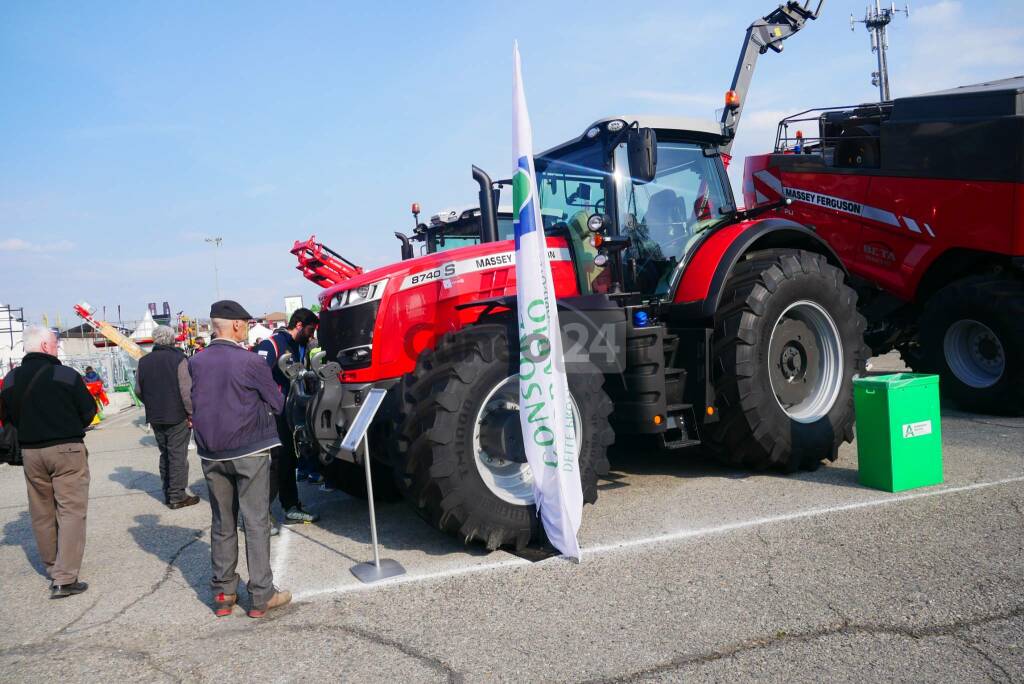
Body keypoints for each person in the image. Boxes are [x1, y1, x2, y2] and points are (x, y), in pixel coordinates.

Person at [189, 301, 290, 618]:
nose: (247, 327)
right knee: (256, 522)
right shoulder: (250, 362)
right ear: (234, 326)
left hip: (211, 451)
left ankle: (223, 593)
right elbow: (277, 403)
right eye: (245, 323)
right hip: (249, 449)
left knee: (222, 521)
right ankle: (261, 595)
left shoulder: (196, 362)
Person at [0, 327, 97, 598]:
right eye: (55, 344)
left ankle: (53, 566)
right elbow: (88, 411)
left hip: (31, 452)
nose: (57, 348)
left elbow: (7, 417)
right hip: (66, 448)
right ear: (44, 346)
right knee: (71, 510)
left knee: (41, 511)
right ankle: (65, 578)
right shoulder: (65, 375)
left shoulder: (10, 378)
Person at [255, 308, 321, 525]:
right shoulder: (271, 344)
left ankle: (290, 506)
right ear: (299, 325)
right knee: (274, 465)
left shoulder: (299, 346)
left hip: (291, 416)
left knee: (288, 461)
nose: (312, 336)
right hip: (272, 416)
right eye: (310, 330)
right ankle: (258, 517)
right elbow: (256, 377)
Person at [135, 325, 200, 509]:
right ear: (172, 339)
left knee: (165, 454)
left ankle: (168, 491)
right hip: (176, 414)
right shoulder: (179, 359)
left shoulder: (144, 361)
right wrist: (191, 413)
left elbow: (138, 390)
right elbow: (186, 391)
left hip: (155, 415)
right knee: (177, 455)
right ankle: (177, 496)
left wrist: (151, 403)